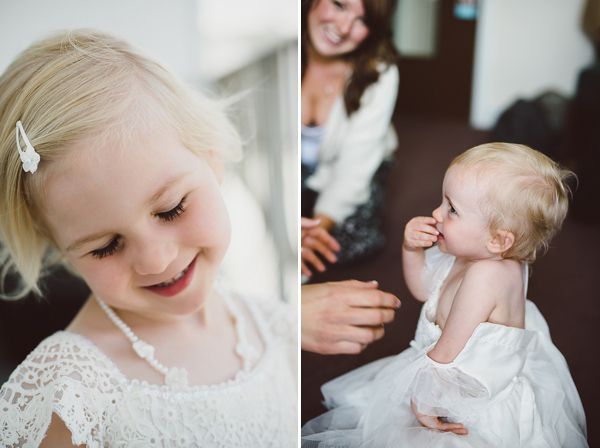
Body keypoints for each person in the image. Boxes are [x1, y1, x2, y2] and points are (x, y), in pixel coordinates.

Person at [0, 30, 297, 447]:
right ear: (56, 244)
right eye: (105, 246)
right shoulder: (69, 393)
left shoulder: (275, 328)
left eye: (171, 208)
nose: (156, 260)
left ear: (211, 157)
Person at [302, 143, 588, 447]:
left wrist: (424, 398)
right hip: (439, 361)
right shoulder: (470, 254)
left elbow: (448, 350)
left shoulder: (488, 275)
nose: (436, 213)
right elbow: (425, 290)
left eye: (452, 209)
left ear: (498, 240)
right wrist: (411, 250)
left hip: (463, 389)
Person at [301, 0, 399, 267]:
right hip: (299, 167)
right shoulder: (280, 47)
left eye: (362, 21)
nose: (343, 28)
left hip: (358, 163)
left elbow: (353, 172)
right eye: (339, 5)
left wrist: (312, 233)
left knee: (349, 241)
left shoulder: (381, 72)